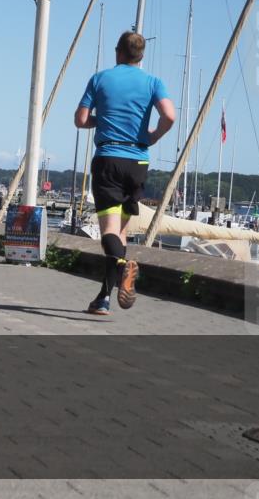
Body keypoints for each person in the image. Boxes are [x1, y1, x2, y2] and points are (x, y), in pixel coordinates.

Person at [74, 31, 175, 315]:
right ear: (140, 56)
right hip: (138, 162)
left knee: (108, 232)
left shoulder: (100, 78)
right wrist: (153, 136)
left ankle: (122, 268)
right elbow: (170, 115)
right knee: (121, 233)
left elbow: (80, 120)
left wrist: (102, 118)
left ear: (118, 51)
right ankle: (104, 298)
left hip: (108, 158)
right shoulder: (154, 82)